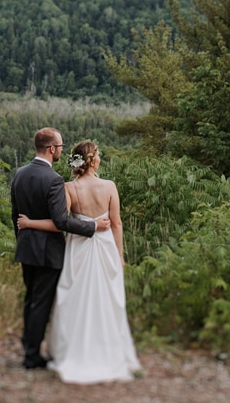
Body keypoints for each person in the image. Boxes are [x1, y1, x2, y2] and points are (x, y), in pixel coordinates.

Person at [17, 140, 141, 384]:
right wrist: (120, 254)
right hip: (105, 248)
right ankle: (106, 351)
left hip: (78, 249)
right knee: (106, 300)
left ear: (77, 162)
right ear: (94, 160)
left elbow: (60, 223)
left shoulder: (68, 188)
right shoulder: (109, 186)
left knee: (73, 298)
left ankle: (70, 350)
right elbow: (116, 223)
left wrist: (30, 223)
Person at [11, 127, 109, 370]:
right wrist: (92, 226)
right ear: (52, 149)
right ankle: (32, 357)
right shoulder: (53, 180)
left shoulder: (19, 174)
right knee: (41, 303)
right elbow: (61, 222)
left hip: (26, 247)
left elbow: (15, 216)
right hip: (47, 252)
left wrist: (22, 238)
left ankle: (28, 348)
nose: (62, 151)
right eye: (61, 147)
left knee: (30, 299)